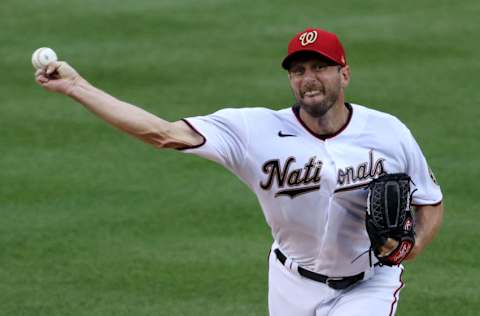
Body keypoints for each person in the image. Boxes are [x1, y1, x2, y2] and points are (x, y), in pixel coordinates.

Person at [35, 27, 443, 316]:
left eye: (319, 67)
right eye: (298, 70)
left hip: (367, 284)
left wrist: (413, 246)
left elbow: (430, 202)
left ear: (344, 73)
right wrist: (77, 87)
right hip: (290, 283)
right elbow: (161, 133)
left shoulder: (388, 132)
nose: (308, 79)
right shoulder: (254, 131)